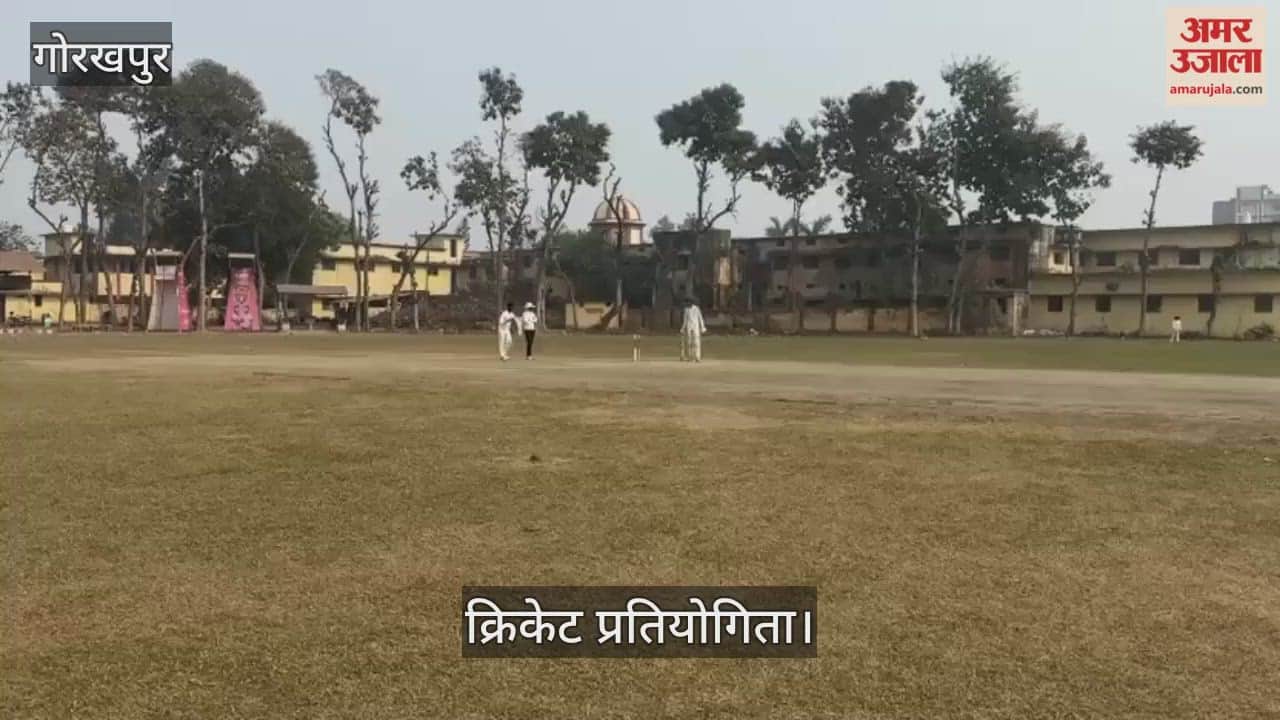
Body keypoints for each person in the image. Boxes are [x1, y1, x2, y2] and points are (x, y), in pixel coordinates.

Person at [680, 296, 707, 362]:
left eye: (687, 303)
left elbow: (700, 318)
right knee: (689, 342)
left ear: (690, 302)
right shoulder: (686, 309)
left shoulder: (696, 308)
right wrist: (683, 328)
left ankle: (697, 357)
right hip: (689, 326)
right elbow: (685, 320)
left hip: (696, 326)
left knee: (696, 342)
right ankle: (690, 357)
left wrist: (703, 327)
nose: (686, 304)